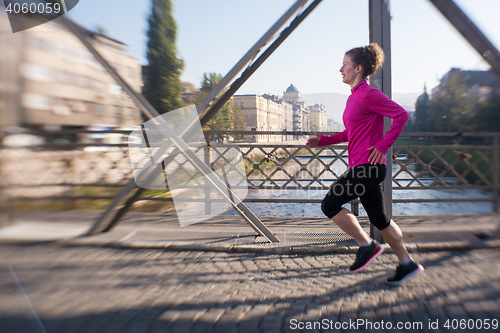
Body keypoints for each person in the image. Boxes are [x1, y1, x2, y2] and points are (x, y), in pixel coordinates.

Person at [306, 43, 424, 286]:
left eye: (345, 65)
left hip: (368, 168)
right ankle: (407, 263)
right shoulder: (354, 98)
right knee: (380, 220)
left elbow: (401, 115)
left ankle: (366, 245)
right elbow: (350, 133)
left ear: (358, 68)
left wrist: (383, 145)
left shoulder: (368, 95)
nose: (341, 69)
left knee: (330, 204)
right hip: (364, 168)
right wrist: (323, 141)